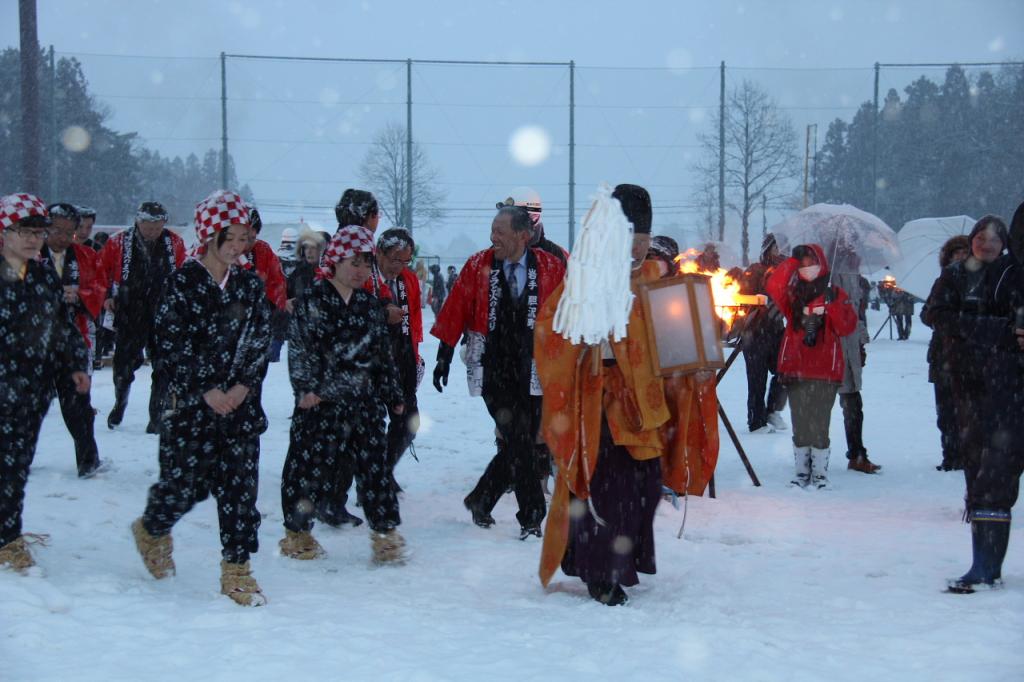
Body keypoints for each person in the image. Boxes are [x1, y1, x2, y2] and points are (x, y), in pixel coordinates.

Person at [535, 183, 676, 605]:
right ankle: (600, 574)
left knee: (645, 486)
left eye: (643, 240)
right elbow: (550, 329)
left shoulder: (652, 280)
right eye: (630, 239)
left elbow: (672, 337)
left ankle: (616, 562)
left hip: (642, 403)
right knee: (608, 489)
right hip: (598, 401)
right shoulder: (585, 279)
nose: (637, 249)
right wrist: (584, 339)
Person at [131, 190, 272, 606]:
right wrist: (206, 388)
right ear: (209, 235)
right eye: (231, 237)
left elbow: (259, 339)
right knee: (183, 486)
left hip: (240, 409)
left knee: (240, 490)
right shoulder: (182, 283)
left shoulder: (249, 285)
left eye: (245, 238)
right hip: (191, 408)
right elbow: (170, 344)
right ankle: (153, 529)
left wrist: (243, 385)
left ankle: (237, 568)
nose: (238, 246)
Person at [432, 205, 566, 538]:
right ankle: (532, 516)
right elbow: (457, 306)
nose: (493, 237)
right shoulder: (478, 264)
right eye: (492, 230)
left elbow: (568, 311)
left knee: (520, 441)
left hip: (534, 369)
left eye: (500, 232)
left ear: (523, 235)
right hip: (493, 368)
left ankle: (482, 499)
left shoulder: (551, 266)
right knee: (520, 438)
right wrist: (443, 356)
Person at [278, 225, 407, 565]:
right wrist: (306, 389)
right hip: (320, 404)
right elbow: (300, 350)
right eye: (353, 262)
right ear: (335, 261)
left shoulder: (369, 306)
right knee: (307, 468)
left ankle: (385, 535)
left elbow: (382, 355)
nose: (360, 270)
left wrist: (392, 392)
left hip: (363, 403)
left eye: (366, 263)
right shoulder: (312, 301)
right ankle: (297, 534)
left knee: (375, 470)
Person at [923, 215, 1023, 593]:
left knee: (996, 473)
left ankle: (986, 567)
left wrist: (983, 329)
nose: (987, 244)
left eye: (995, 239)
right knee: (976, 467)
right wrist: (986, 328)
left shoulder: (1013, 274)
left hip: (1006, 384)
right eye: (981, 237)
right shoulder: (954, 274)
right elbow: (934, 313)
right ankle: (983, 562)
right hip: (965, 381)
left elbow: (1015, 325)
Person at [0, 194, 91, 572]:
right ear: (4, 232)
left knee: (17, 464)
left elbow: (62, 327)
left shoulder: (42, 276)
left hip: (31, 390)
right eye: (23, 231)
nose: (31, 239)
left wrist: (74, 364)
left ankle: (7, 535)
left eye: (38, 233)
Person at [765, 243, 858, 489]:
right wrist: (792, 262)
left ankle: (819, 473)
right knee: (800, 422)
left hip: (825, 370)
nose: (807, 267)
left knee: (820, 422)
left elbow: (847, 327)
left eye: (811, 262)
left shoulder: (835, 293)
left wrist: (832, 306)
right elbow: (774, 286)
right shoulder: (793, 294)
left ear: (822, 264)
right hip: (797, 368)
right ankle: (801, 471)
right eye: (803, 263)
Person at [97, 201, 185, 432]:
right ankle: (120, 401)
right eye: (148, 227)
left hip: (163, 309)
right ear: (138, 221)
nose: (153, 231)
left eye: (157, 227)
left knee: (163, 364)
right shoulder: (118, 242)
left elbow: (182, 274)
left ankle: (156, 415)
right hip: (130, 307)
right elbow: (102, 271)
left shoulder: (174, 242)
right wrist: (107, 296)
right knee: (123, 367)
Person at [41, 203, 105, 477]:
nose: (63, 237)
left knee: (78, 404)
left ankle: (88, 460)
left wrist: (80, 296)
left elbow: (99, 287)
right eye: (56, 230)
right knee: (23, 405)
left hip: (73, 339)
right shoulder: (29, 254)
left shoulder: (87, 256)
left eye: (69, 232)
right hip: (34, 341)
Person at [369, 228, 423, 495]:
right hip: (371, 363)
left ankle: (382, 471)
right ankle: (370, 481)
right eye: (394, 260)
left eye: (405, 261)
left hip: (402, 359)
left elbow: (414, 321)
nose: (399, 266)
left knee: (409, 423)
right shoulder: (364, 276)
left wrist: (415, 355)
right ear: (379, 253)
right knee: (371, 427)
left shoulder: (409, 279)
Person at [828, 243, 882, 475]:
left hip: (849, 346)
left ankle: (857, 454)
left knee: (853, 404)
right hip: (830, 347)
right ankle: (812, 459)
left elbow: (857, 312)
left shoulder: (854, 275)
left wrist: (860, 341)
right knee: (820, 406)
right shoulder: (828, 272)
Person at [920, 235, 970, 471]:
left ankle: (968, 455)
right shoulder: (941, 282)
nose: (960, 257)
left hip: (969, 355)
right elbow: (926, 314)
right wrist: (939, 317)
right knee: (946, 412)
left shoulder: (980, 282)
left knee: (968, 411)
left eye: (964, 252)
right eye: (955, 253)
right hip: (942, 355)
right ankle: (951, 455)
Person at [738, 233, 788, 434]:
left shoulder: (787, 273)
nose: (779, 252)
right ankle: (756, 422)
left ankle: (773, 410)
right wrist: (762, 300)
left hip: (777, 330)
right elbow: (741, 297)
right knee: (757, 379)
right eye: (776, 248)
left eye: (782, 248)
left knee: (785, 371)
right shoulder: (755, 270)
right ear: (767, 249)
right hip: (755, 332)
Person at [242, 208, 288, 362]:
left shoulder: (263, 250)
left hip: (260, 322)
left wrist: (275, 309)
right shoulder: (225, 254)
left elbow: (278, 284)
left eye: (252, 238)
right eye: (243, 238)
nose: (247, 244)